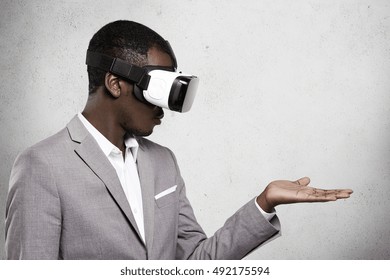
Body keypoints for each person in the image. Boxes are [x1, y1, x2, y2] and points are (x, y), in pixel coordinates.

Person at [5, 20, 352, 260]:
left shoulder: (163, 162)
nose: (166, 109)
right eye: (159, 89)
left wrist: (263, 203)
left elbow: (196, 264)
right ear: (115, 83)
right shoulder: (42, 166)